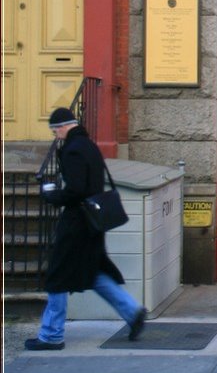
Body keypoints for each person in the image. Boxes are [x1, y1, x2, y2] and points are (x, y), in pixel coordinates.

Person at [26, 108, 147, 351]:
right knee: (93, 272)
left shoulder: (72, 150)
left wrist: (54, 196)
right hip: (93, 221)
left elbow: (76, 190)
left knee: (57, 277)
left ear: (63, 126)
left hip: (76, 222)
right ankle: (132, 312)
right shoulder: (89, 146)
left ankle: (51, 335)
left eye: (55, 131)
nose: (56, 136)